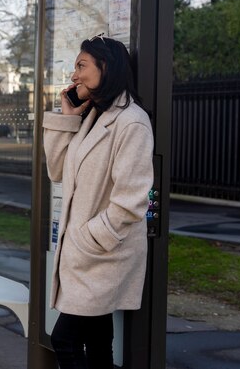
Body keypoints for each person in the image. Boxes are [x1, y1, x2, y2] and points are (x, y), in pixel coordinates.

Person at [43, 35, 154, 369]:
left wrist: (90, 237)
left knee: (64, 339)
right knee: (98, 344)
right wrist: (67, 119)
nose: (74, 75)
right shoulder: (92, 118)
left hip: (101, 255)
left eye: (82, 66)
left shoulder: (132, 121)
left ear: (106, 67)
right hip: (85, 257)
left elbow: (132, 200)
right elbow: (58, 170)